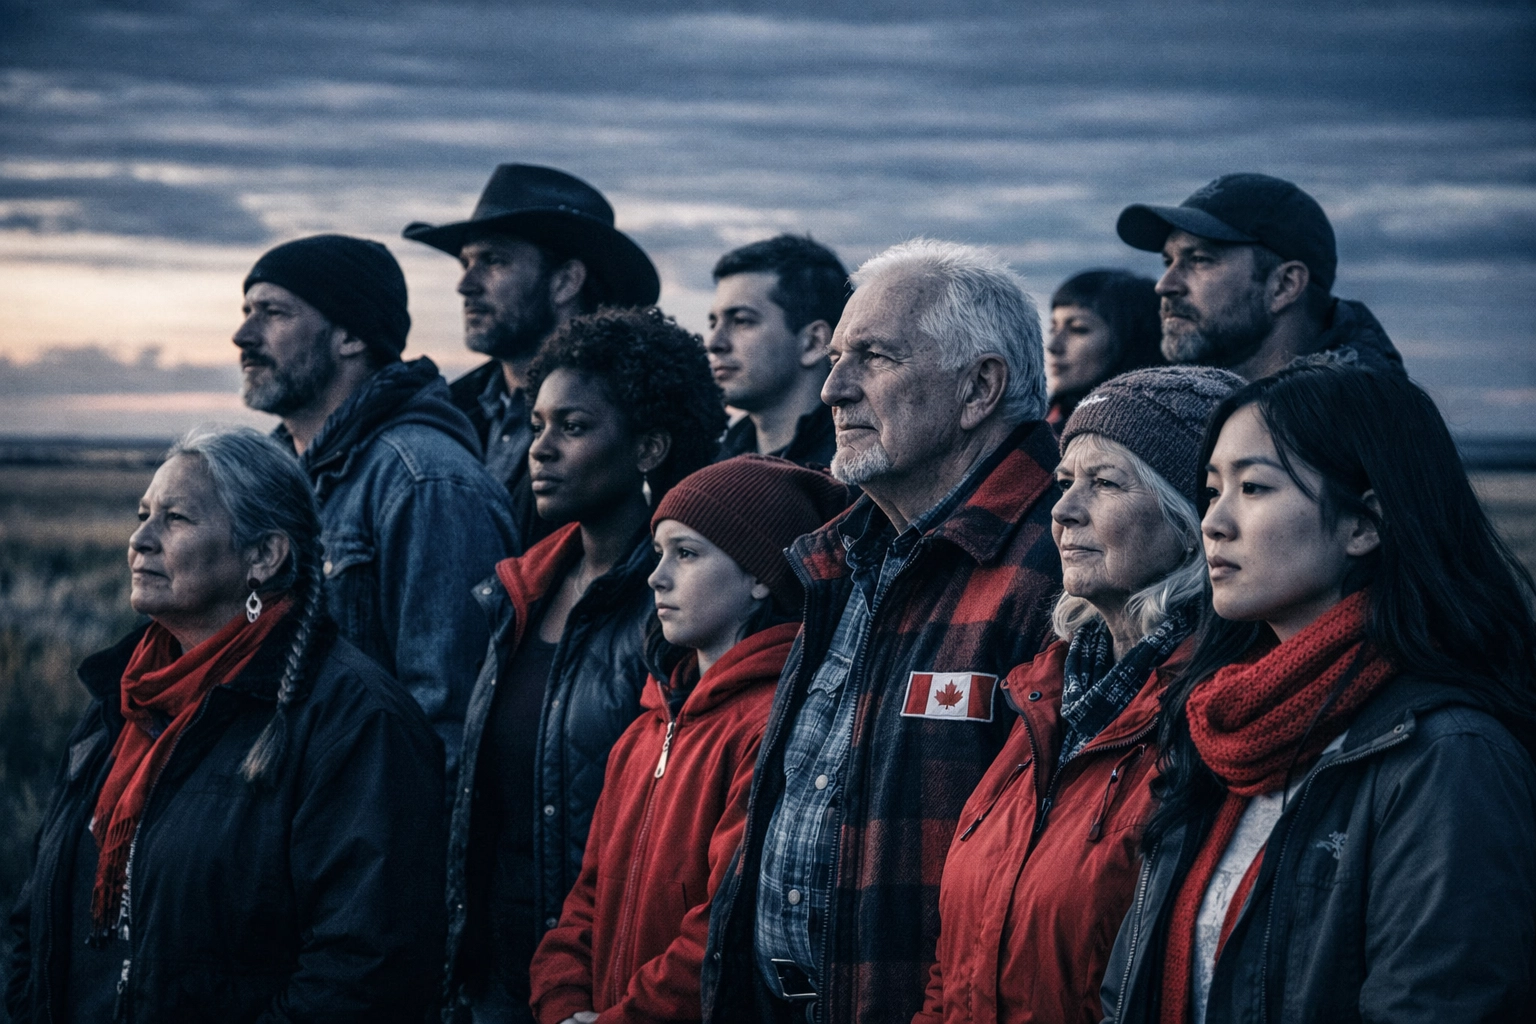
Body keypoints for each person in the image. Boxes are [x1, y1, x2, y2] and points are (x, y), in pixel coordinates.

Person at [1098, 363, 1536, 1024]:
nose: (1214, 522)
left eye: (1253, 487)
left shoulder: (1447, 757)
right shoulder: (1221, 729)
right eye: (1212, 490)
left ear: (1363, 525)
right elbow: (1124, 991)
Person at [702, 240, 1065, 1024]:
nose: (833, 388)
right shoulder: (848, 551)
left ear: (980, 388)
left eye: (872, 357)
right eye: (836, 355)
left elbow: (1050, 892)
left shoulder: (1057, 566)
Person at [5, 426, 446, 1023]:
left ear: (264, 555)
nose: (140, 539)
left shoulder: (355, 723)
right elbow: (38, 914)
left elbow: (364, 973)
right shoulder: (122, 698)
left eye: (176, 518)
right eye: (142, 514)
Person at [914, 366, 1243, 1024]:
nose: (1062, 510)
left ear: (1191, 517)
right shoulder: (1045, 695)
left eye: (1105, 483)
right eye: (1065, 482)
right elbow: (954, 963)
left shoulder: (1215, 716)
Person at [443, 307, 726, 1024]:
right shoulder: (520, 590)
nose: (541, 449)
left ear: (648, 446)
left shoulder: (676, 611)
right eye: (537, 426)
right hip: (496, 974)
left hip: (611, 986)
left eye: (573, 427)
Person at [529, 455, 850, 1024]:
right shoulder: (643, 730)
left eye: (687, 553)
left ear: (759, 576)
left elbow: (720, 927)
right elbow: (586, 898)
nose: (657, 576)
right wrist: (560, 1003)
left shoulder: (770, 727)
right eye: (659, 553)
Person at [235, 233, 518, 777]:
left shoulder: (426, 483)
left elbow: (447, 727)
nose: (243, 335)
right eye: (248, 311)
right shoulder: (264, 481)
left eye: (272, 313)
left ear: (349, 336)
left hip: (354, 840)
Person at [404, 163, 661, 547]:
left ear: (565, 282)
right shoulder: (442, 412)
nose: (465, 285)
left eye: (493, 261)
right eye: (465, 263)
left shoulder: (630, 417)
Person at [1116, 174, 1404, 380]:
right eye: (1169, 261)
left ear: (1284, 286)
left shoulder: (1359, 436)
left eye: (1200, 260)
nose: (1164, 285)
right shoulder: (1188, 409)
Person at [709, 235, 851, 468]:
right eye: (713, 323)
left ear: (813, 342)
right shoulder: (715, 464)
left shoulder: (860, 475)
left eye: (741, 320)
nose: (714, 342)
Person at [1044, 269, 1163, 426]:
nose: (1053, 346)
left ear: (1130, 342)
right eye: (1053, 329)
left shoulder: (1141, 432)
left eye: (1078, 329)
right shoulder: (1043, 423)